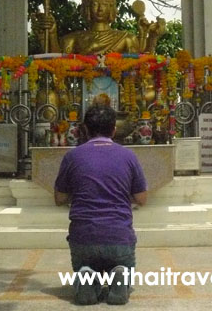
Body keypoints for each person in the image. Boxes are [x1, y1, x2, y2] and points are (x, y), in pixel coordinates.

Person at [54, 104, 148, 305]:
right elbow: (141, 198)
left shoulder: (72, 156)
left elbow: (59, 198)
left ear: (85, 129)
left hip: (83, 237)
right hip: (119, 236)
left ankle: (87, 275)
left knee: (86, 264)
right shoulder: (128, 156)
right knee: (122, 262)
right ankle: (119, 274)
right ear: (114, 129)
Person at [32, 0, 165, 54]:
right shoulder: (74, 39)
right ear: (87, 8)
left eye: (105, 4)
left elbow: (140, 67)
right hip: (81, 91)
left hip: (120, 90)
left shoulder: (125, 38)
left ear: (112, 8)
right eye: (95, 4)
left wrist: (151, 37)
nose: (100, 9)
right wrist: (51, 34)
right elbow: (57, 63)